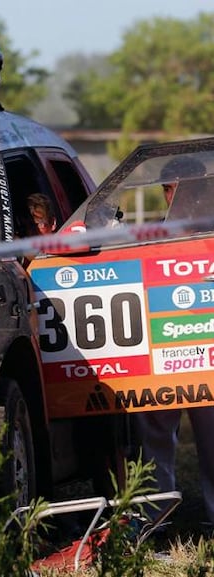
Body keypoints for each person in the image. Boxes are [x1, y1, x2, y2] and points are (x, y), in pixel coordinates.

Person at [133, 154, 214, 526]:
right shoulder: (147, 237)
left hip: (206, 355)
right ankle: (156, 515)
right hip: (159, 353)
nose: (178, 197)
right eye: (172, 189)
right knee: (154, 435)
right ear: (166, 193)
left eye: (188, 188)